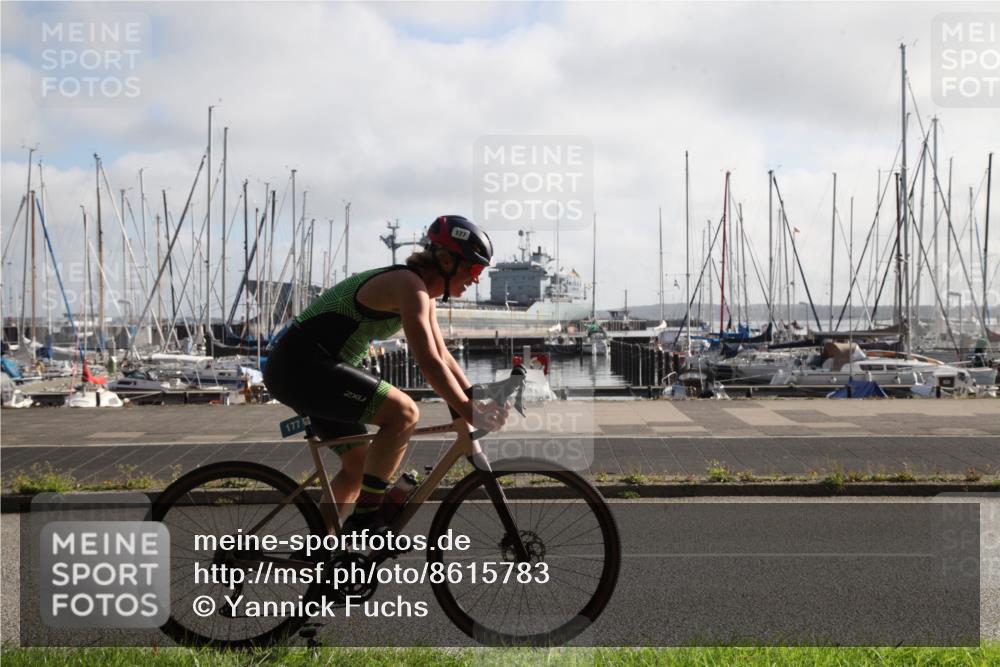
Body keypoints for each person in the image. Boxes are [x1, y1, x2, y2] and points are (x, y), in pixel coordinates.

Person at [263, 215, 509, 535]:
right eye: (474, 269)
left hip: (314, 368)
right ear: (446, 261)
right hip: (300, 365)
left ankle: (320, 553)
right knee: (404, 412)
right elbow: (428, 362)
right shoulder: (408, 285)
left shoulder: (423, 295)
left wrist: (473, 395)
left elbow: (444, 356)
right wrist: (467, 409)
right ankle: (366, 517)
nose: (476, 279)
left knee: (357, 468)